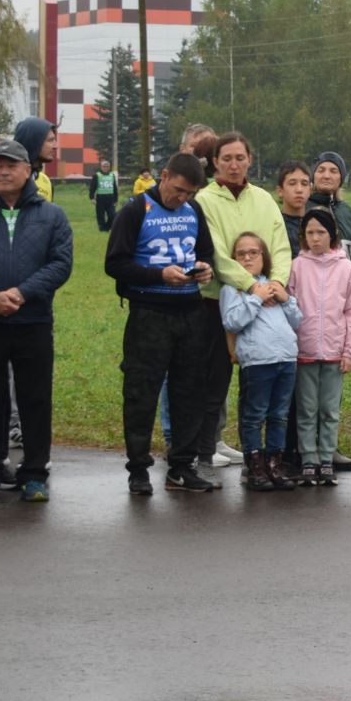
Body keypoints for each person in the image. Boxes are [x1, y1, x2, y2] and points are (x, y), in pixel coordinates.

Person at [0, 138, 73, 502]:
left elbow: (60, 263)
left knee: (35, 397)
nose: (4, 171)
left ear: (27, 170)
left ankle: (34, 473)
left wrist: (21, 293)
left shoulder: (52, 215)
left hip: (33, 320)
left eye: (12, 164)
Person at [103, 152, 218, 496]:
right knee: (141, 392)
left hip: (190, 312)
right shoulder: (136, 209)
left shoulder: (194, 211)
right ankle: (138, 469)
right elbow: (114, 263)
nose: (181, 198)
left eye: (188, 193)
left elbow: (206, 252)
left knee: (189, 391)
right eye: (178, 190)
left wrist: (205, 268)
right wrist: (157, 275)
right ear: (163, 176)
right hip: (149, 313)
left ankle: (182, 466)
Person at [192, 133, 290, 476]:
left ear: (250, 159)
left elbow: (279, 246)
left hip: (267, 304)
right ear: (215, 163)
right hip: (218, 302)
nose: (234, 165)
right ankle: (203, 455)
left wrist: (275, 283)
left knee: (257, 383)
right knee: (213, 383)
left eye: (240, 157)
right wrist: (251, 286)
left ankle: (256, 457)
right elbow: (217, 253)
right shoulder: (204, 201)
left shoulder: (263, 199)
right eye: (226, 158)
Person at [220, 232, 302, 491]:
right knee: (254, 415)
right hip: (257, 361)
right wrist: (255, 298)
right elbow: (232, 322)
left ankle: (274, 463)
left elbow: (297, 320)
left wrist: (284, 299)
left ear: (263, 257)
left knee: (279, 415)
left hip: (286, 358)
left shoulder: (275, 284)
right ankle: (255, 465)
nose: (247, 258)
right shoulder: (232, 288)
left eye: (253, 253)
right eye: (241, 254)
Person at [287, 208, 351, 485]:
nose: (316, 238)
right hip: (304, 351)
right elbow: (289, 306)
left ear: (332, 235)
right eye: (310, 233)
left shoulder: (347, 269)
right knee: (306, 408)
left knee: (329, 409)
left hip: (335, 352)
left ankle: (327, 457)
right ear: (303, 236)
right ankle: (309, 458)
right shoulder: (297, 266)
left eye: (321, 232)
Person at [306, 151, 351, 252]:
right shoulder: (303, 208)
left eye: (333, 171)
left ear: (341, 178)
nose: (326, 176)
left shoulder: (347, 211)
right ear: (313, 176)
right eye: (321, 170)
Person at [14, 118, 58, 202]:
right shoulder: (6, 178)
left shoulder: (45, 180)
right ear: (33, 142)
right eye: (50, 140)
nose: (56, 146)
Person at [275, 161, 312, 255]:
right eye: (292, 183)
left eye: (304, 184)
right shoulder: (275, 225)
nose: (299, 190)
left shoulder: (317, 224)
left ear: (310, 191)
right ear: (280, 191)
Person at [92, 159, 120, 232]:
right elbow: (92, 187)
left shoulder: (112, 175)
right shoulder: (97, 175)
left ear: (109, 167)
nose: (105, 167)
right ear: (101, 167)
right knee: (100, 215)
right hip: (100, 198)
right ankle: (102, 228)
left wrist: (116, 199)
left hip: (110, 198)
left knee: (112, 215)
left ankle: (107, 227)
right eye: (104, 166)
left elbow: (114, 188)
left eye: (107, 166)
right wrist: (92, 198)